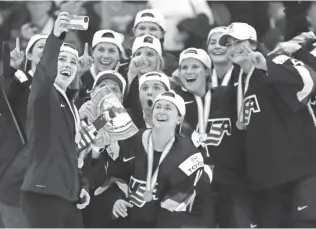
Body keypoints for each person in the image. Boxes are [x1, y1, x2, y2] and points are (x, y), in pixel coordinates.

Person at [219, 22, 316, 227]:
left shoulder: (276, 60)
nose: (232, 47)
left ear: (253, 44)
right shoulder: (239, 83)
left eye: (238, 41)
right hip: (271, 182)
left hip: (304, 172)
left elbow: (310, 80)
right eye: (228, 43)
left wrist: (266, 65)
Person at [19, 12, 90, 227]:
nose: (68, 65)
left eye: (73, 62)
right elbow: (43, 74)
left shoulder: (70, 104)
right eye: (62, 59)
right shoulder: (43, 94)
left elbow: (68, 151)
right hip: (43, 195)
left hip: (67, 196)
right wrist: (56, 36)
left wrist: (81, 184)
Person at [175, 46, 254, 227]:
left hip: (232, 186)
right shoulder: (175, 103)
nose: (189, 72)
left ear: (207, 71)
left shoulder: (228, 96)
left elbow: (251, 81)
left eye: (195, 66)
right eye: (184, 68)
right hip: (192, 190)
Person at [110, 90, 213, 228]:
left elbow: (176, 203)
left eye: (168, 108)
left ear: (179, 119)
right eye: (158, 107)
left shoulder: (189, 155)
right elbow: (117, 175)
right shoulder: (133, 140)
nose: (161, 111)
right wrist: (117, 200)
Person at [0, 34, 46, 227]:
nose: (49, 50)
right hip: (3, 174)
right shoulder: (17, 81)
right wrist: (11, 71)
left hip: (42, 179)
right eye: (42, 46)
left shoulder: (63, 90)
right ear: (29, 55)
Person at [79, 70, 128, 228]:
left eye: (115, 89)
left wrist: (96, 150)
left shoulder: (128, 132)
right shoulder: (75, 119)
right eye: (103, 87)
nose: (108, 93)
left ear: (121, 98)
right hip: (73, 206)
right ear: (92, 93)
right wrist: (95, 150)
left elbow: (121, 174)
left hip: (108, 214)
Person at [75, 29, 125, 108]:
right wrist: (77, 75)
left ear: (119, 55)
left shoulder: (124, 76)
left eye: (111, 51)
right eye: (101, 50)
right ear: (92, 52)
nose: (105, 56)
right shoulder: (81, 75)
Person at [123, 34, 165, 128]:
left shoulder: (168, 85)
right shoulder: (121, 82)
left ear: (159, 60)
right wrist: (131, 74)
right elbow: (113, 110)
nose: (143, 58)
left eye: (150, 54)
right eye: (138, 54)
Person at [132, 9, 178, 76]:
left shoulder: (173, 63)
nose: (147, 33)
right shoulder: (124, 60)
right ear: (134, 32)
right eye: (142, 28)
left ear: (162, 34)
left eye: (153, 29)